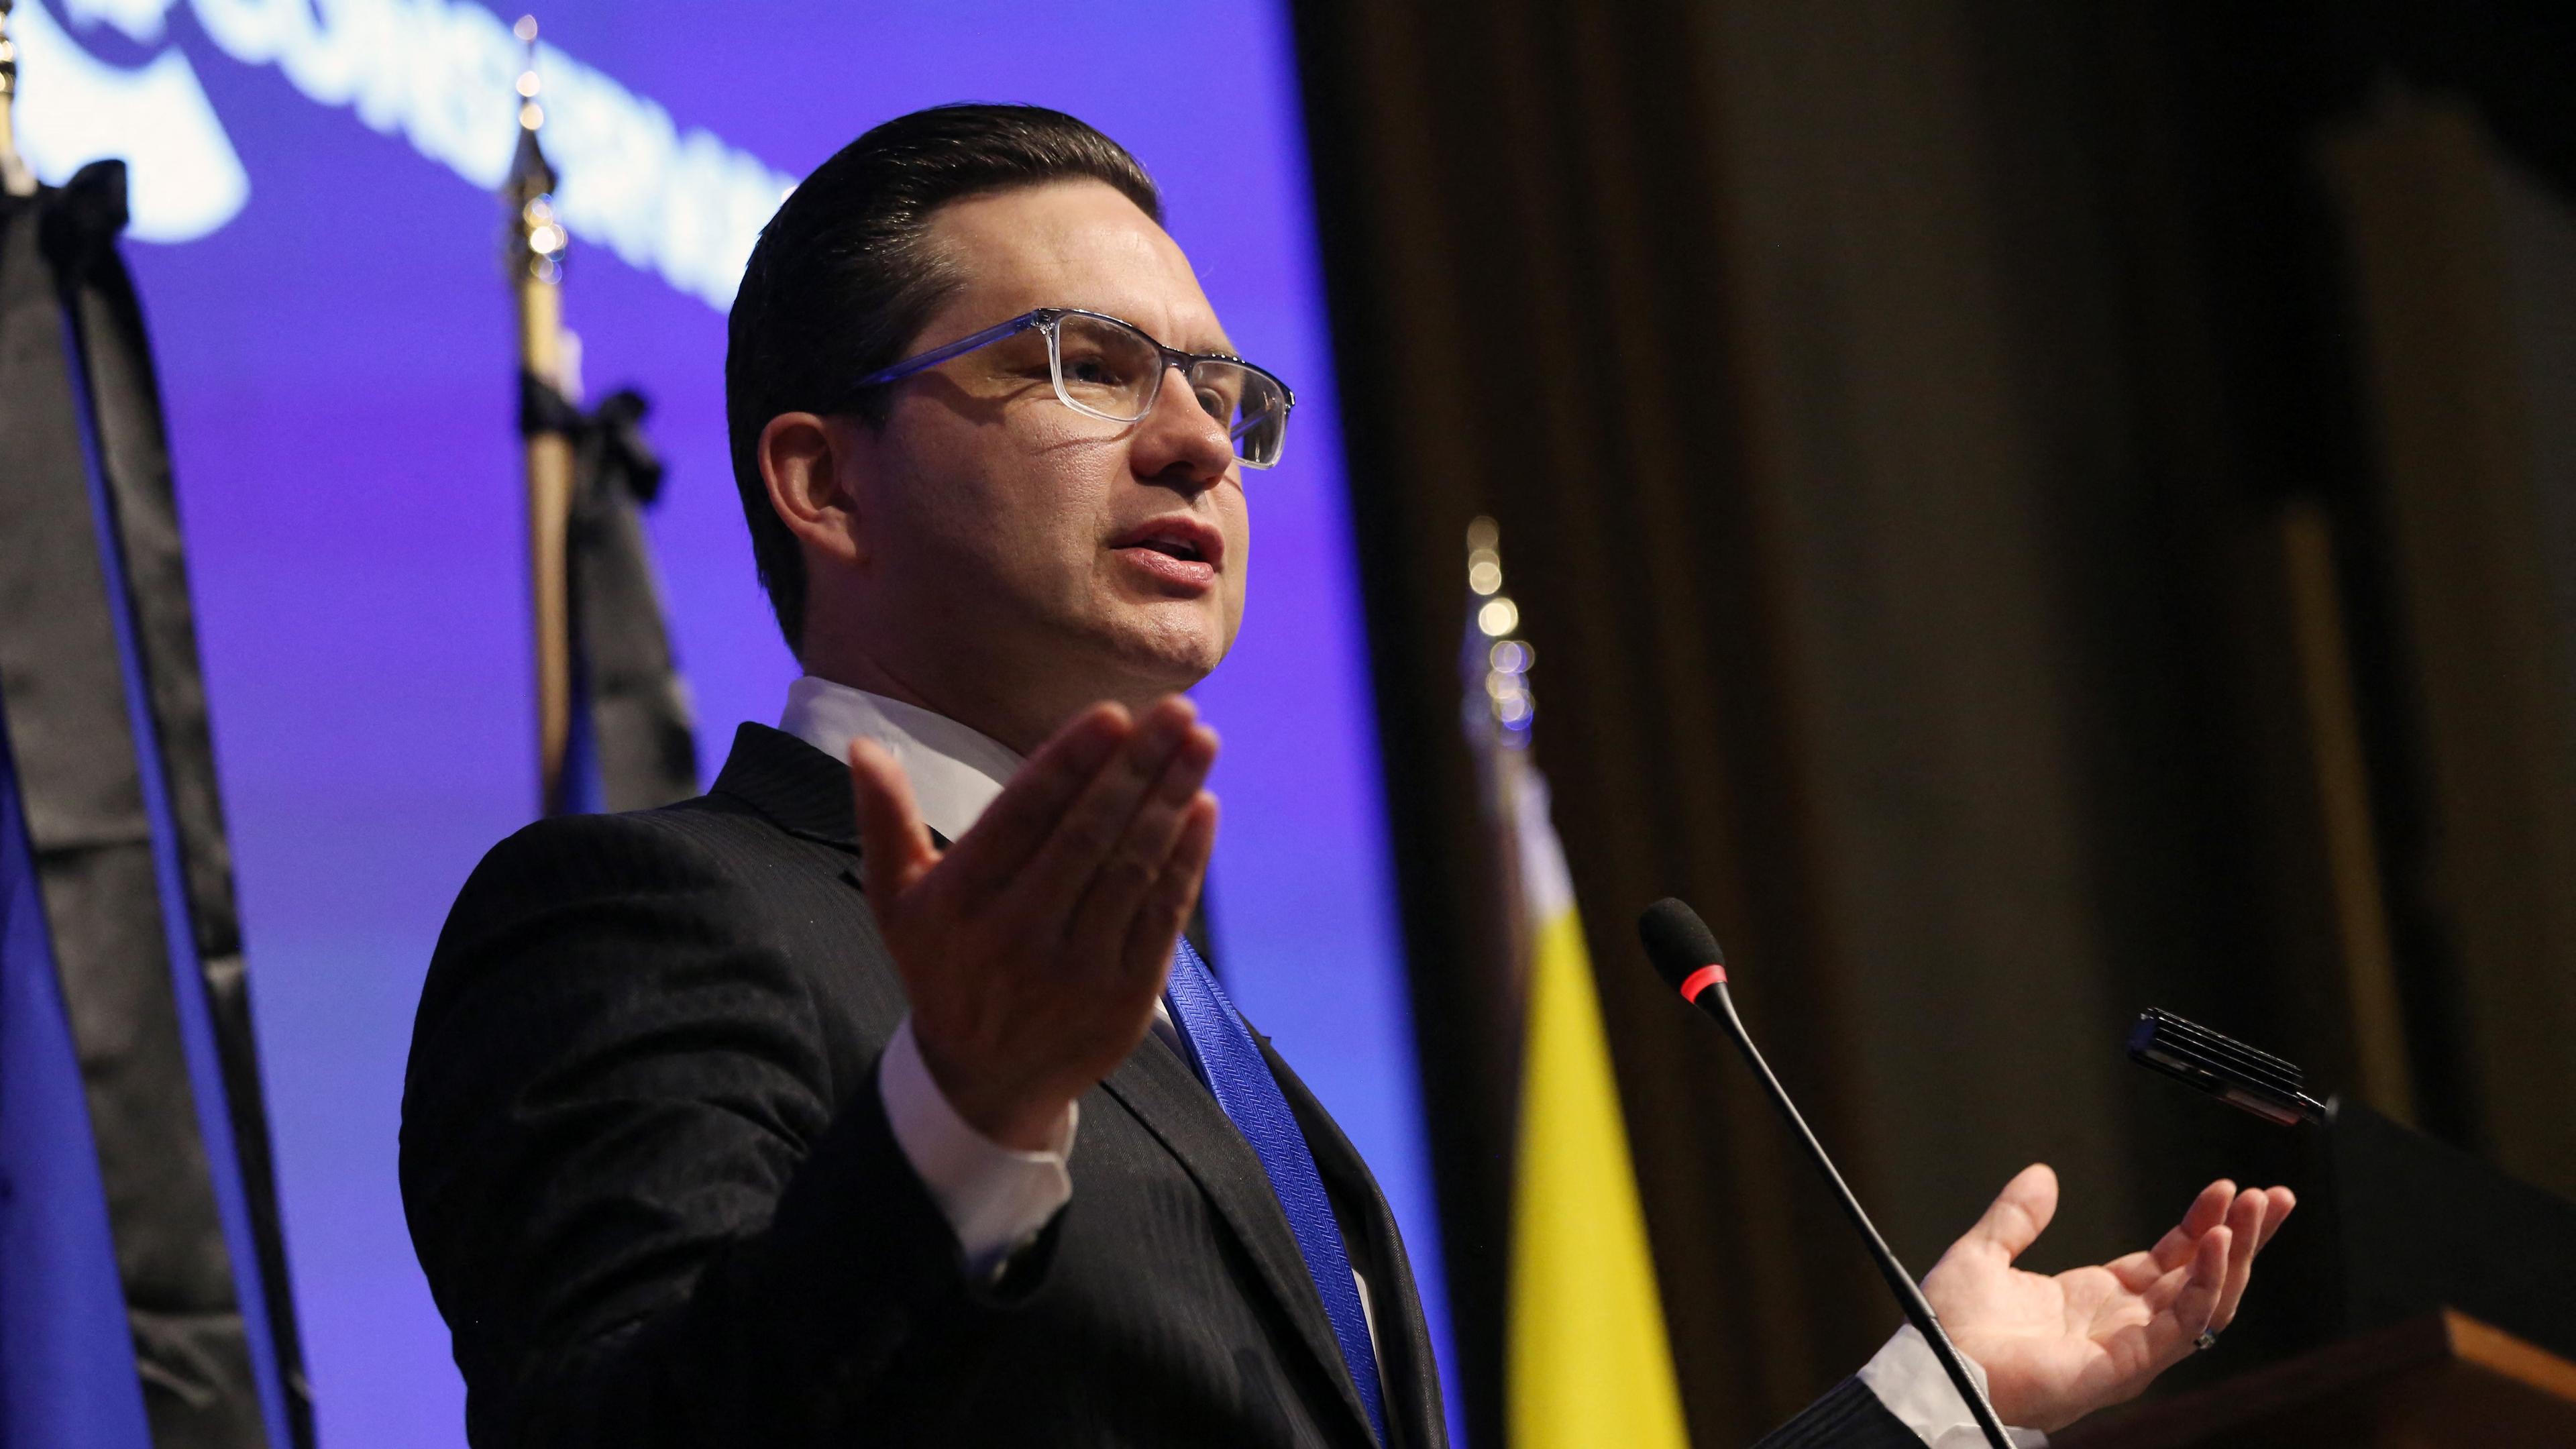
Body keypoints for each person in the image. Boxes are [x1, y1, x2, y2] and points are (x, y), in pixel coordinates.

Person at [400, 103, 2293, 1448]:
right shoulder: (646, 924)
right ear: (822, 481)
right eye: (1083, 363)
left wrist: (1926, 1408)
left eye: (1223, 396)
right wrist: (957, 1123)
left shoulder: (1236, 1075)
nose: (1196, 448)